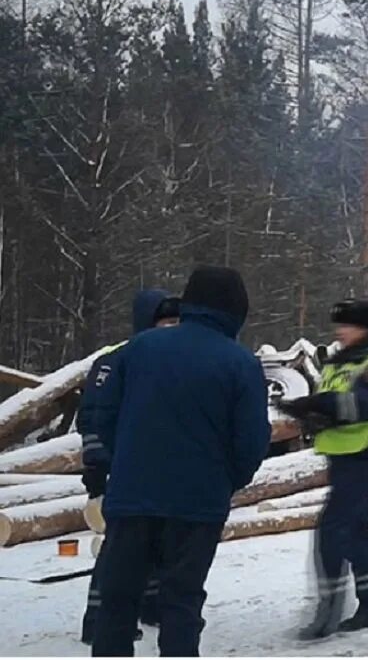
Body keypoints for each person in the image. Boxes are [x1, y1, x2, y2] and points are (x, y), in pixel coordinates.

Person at [90, 266, 271, 657]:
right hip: (197, 504)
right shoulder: (241, 363)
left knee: (118, 602)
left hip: (132, 495)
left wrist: (125, 459)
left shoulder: (138, 349)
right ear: (236, 309)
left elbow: (101, 417)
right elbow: (253, 440)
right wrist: (227, 480)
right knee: (181, 604)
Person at [277, 299, 368, 641]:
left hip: (365, 453)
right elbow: (336, 406)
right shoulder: (341, 362)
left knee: (332, 529)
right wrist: (308, 414)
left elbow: (362, 405)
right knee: (356, 529)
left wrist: (317, 404)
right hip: (343, 453)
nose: (339, 331)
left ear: (364, 327)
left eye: (346, 325)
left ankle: (328, 612)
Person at [78, 289, 180, 645]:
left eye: (176, 324)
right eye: (165, 323)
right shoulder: (113, 362)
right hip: (121, 469)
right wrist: (98, 470)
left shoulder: (171, 362)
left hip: (158, 468)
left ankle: (150, 604)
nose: (171, 330)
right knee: (118, 549)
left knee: (159, 540)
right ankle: (97, 616)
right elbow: (93, 419)